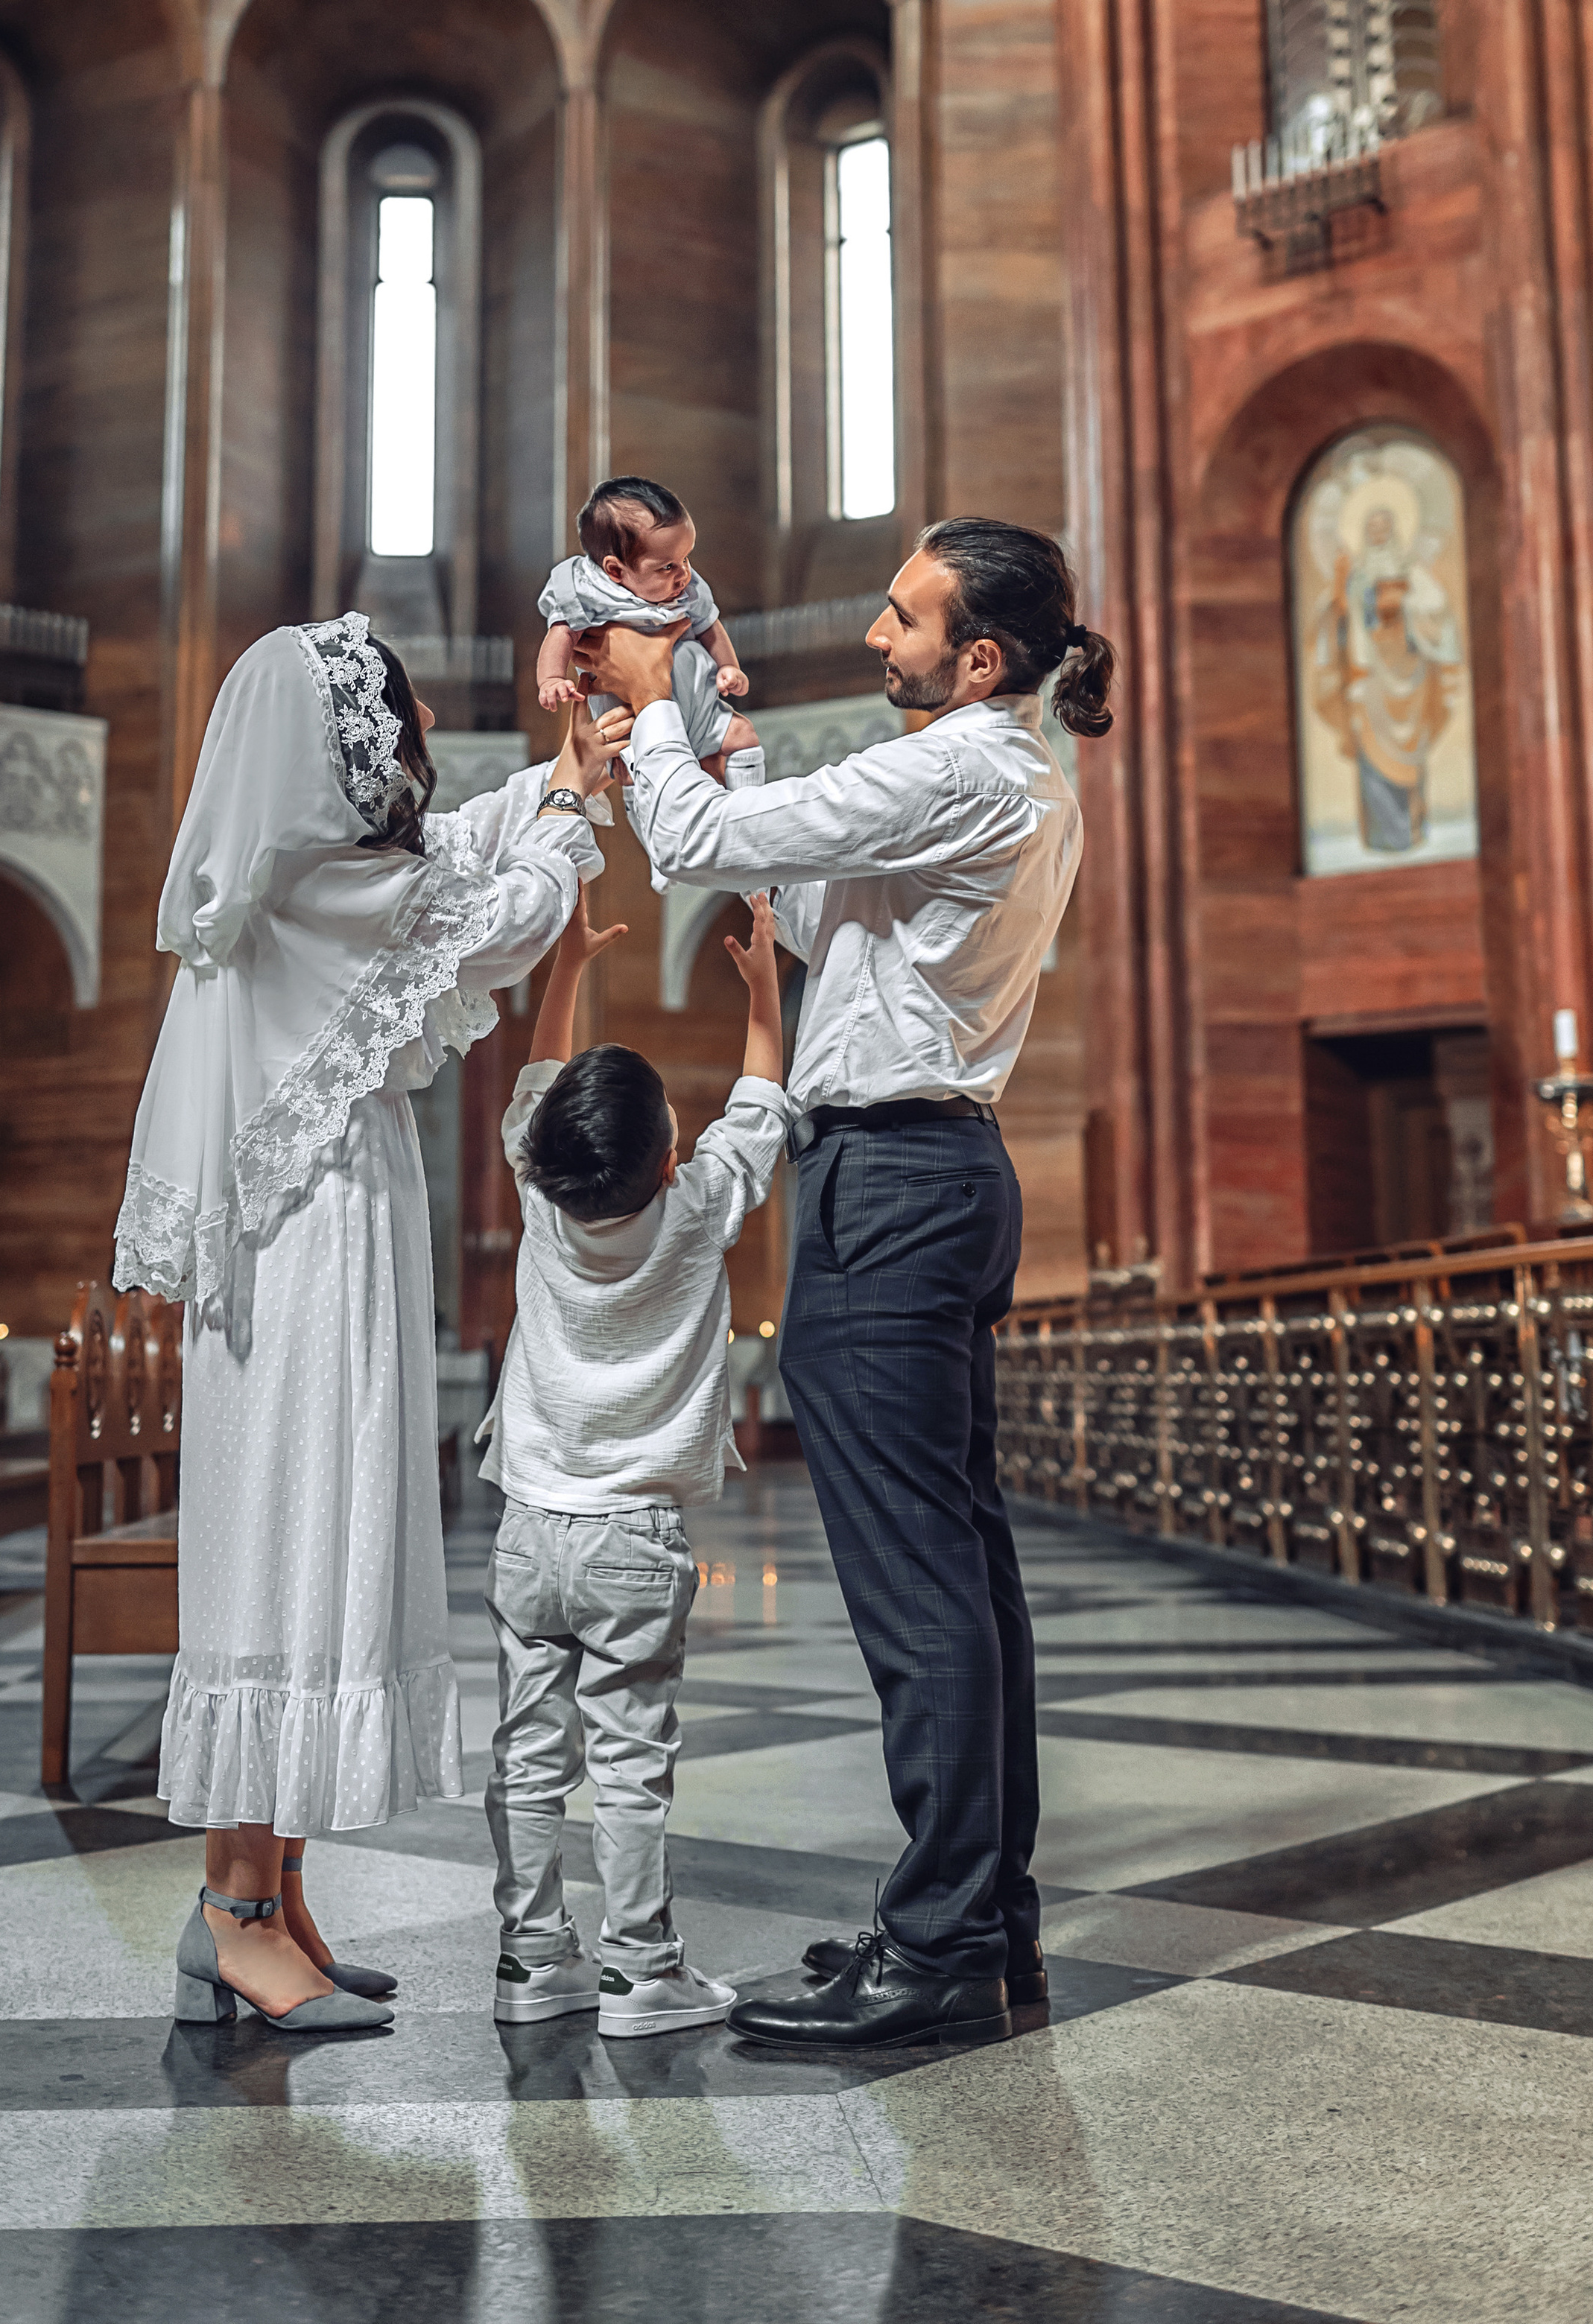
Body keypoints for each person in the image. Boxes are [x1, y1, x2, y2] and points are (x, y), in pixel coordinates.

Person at [582, 519, 1116, 2053]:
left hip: (891, 1185)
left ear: (980, 658)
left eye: (902, 619)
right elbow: (809, 899)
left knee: (917, 1582)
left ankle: (944, 1938)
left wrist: (661, 692)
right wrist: (734, 750)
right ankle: (976, 1919)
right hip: (924, 1173)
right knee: (962, 1570)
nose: (876, 640)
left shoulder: (964, 765)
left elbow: (686, 850)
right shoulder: (1001, 772)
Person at [111, 612, 619, 2033]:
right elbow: (501, 915)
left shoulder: (328, 873)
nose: (409, 743)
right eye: (389, 722)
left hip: (345, 1224)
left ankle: (283, 1899)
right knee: (291, 1545)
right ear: (335, 746)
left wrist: (563, 770)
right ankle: (233, 1914)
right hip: (304, 1250)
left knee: (332, 1535)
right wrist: (572, 802)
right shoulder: (310, 885)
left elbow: (459, 852)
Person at [477, 883, 793, 2038]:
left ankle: (530, 1961)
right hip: (634, 1543)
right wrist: (766, 987)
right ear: (670, 1162)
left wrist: (564, 966)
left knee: (525, 1748)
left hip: (526, 1528)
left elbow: (534, 1074)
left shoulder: (534, 1187)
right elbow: (763, 1096)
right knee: (629, 1759)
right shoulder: (700, 1209)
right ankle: (640, 1970)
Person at [536, 474, 759, 781]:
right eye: (667, 566)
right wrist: (551, 679)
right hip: (633, 713)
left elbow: (710, 625)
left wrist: (729, 667)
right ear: (615, 570)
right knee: (634, 768)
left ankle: (743, 809)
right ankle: (650, 816)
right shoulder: (588, 591)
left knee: (742, 734)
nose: (683, 574)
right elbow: (561, 633)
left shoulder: (685, 586)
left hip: (697, 703)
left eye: (686, 558)